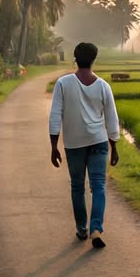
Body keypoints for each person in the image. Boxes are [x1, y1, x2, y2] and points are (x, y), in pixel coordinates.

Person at [48, 41, 120, 249]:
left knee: (77, 187)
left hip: (74, 144)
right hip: (99, 141)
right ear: (94, 59)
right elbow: (112, 119)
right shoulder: (103, 86)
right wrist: (114, 146)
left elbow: (55, 116)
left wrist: (54, 146)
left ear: (75, 59)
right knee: (98, 186)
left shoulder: (63, 84)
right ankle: (96, 227)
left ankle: (82, 228)